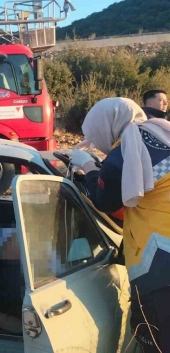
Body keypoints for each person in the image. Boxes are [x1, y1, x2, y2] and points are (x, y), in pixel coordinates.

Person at [69, 97, 170, 353]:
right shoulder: (160, 133)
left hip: (160, 268)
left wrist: (89, 166)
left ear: (107, 126)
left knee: (157, 341)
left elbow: (104, 200)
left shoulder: (126, 150)